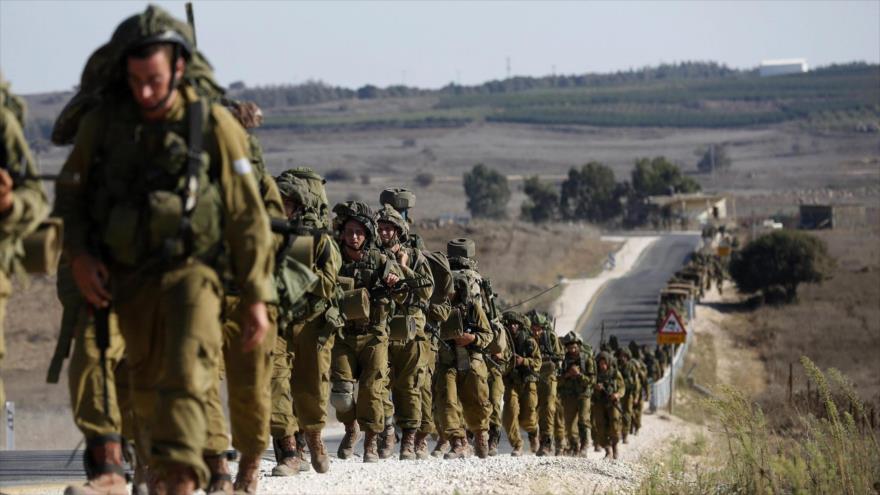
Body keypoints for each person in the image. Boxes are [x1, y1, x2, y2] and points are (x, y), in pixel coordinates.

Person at [54, 6, 274, 492]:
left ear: (178, 67)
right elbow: (71, 198)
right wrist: (81, 256)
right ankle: (110, 468)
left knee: (186, 370)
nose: (145, 92)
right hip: (120, 272)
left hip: (191, 273)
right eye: (135, 81)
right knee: (105, 363)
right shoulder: (105, 125)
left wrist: (258, 294)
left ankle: (180, 477)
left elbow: (246, 216)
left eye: (154, 80)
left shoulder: (214, 125)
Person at [202, 100, 285, 494]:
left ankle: (249, 466)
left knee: (251, 389)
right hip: (205, 296)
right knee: (199, 379)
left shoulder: (257, 179)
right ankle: (217, 462)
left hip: (251, 294)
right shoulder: (195, 178)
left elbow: (274, 233)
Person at [268, 167, 341, 475]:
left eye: (285, 202)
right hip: (276, 324)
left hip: (312, 322)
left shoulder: (317, 238)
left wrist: (298, 277)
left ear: (298, 204)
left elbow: (328, 283)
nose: (279, 207)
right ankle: (288, 452)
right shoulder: (266, 236)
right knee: (274, 383)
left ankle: (314, 441)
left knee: (310, 388)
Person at [330, 201, 404, 462]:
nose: (353, 237)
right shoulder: (333, 258)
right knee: (341, 395)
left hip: (374, 335)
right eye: (349, 232)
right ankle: (352, 430)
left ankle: (372, 442)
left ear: (367, 234)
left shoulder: (380, 259)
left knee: (373, 392)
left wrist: (394, 283)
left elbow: (403, 293)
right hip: (342, 335)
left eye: (359, 232)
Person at [375, 205, 433, 460]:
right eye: (381, 228)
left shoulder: (415, 256)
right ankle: (388, 429)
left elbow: (427, 291)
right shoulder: (373, 255)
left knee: (409, 387)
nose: (385, 233)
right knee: (378, 383)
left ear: (399, 231)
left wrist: (404, 268)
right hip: (380, 327)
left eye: (389, 228)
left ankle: (409, 440)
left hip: (411, 330)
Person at [437, 238, 494, 459]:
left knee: (478, 400)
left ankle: (481, 435)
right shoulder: (439, 310)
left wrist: (472, 338)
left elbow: (487, 334)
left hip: (472, 357)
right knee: (447, 400)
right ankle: (458, 442)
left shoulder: (472, 308)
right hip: (447, 358)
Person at [500, 311, 541, 456]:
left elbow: (537, 363)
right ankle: (517, 445)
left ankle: (534, 432)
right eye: (510, 324)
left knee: (528, 418)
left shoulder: (529, 342)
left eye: (516, 324)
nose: (513, 327)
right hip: (511, 382)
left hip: (528, 383)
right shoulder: (502, 341)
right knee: (509, 415)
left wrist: (524, 361)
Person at [526, 310, 563, 456]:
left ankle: (546, 443)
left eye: (538, 329)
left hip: (548, 375)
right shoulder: (526, 339)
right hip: (530, 375)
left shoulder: (550, 337)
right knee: (529, 407)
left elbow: (560, 356)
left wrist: (552, 359)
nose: (536, 332)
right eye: (533, 329)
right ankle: (533, 436)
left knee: (548, 408)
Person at [558, 331, 596, 457]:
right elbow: (557, 380)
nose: (572, 350)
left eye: (574, 347)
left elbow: (592, 380)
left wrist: (579, 375)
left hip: (583, 394)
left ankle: (584, 446)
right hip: (568, 395)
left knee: (584, 419)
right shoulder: (563, 360)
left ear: (579, 346)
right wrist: (568, 375)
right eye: (569, 347)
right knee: (569, 422)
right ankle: (574, 446)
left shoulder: (587, 359)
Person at [592, 352, 625, 459]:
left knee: (615, 424)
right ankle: (608, 450)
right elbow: (589, 385)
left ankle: (615, 447)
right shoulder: (595, 374)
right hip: (599, 403)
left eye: (604, 363)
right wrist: (595, 387)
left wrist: (617, 394)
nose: (603, 366)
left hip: (612, 403)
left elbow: (622, 387)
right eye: (600, 363)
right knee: (600, 426)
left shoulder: (615, 374)